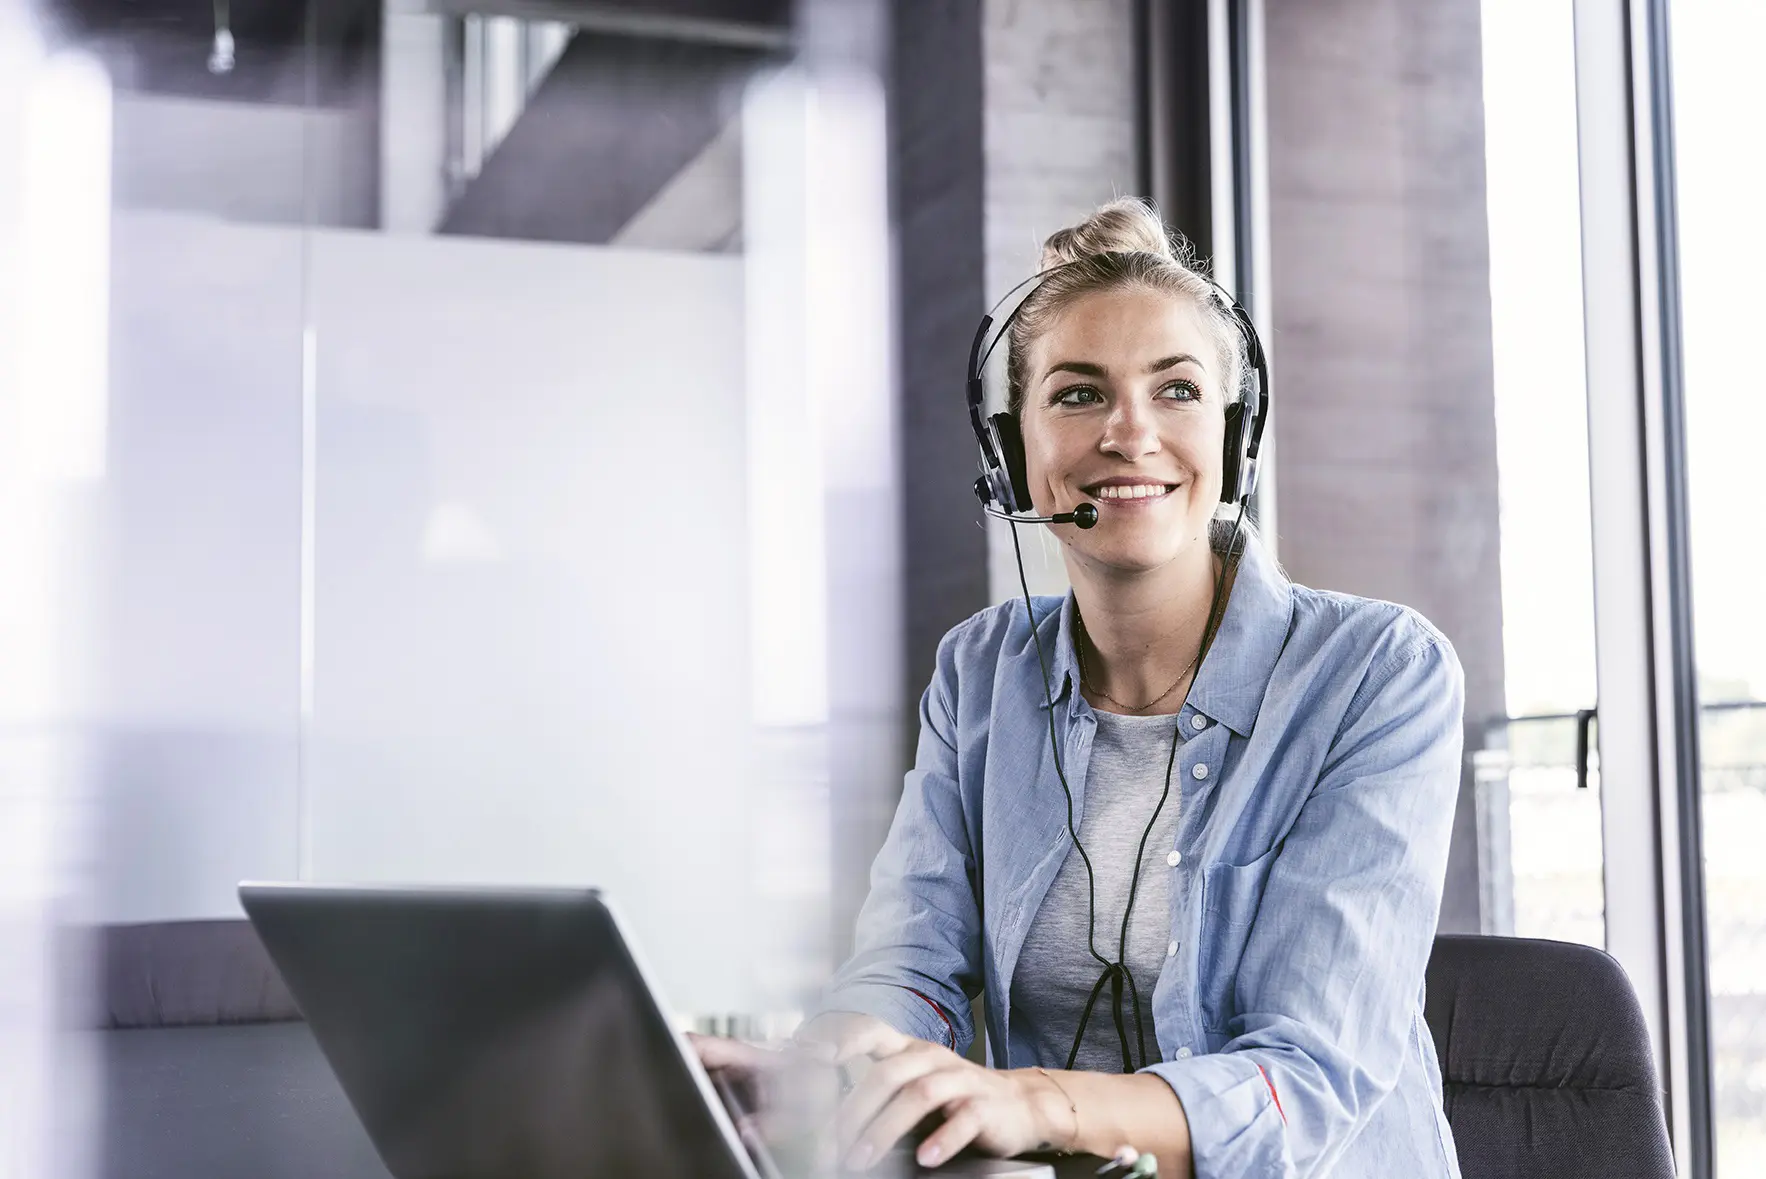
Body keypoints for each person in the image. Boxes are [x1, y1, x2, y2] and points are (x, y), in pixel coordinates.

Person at [700, 199, 1464, 1179]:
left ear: (1234, 436)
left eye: (1176, 390)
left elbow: (1304, 1077)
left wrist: (1032, 1100)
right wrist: (819, 1067)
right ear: (1009, 451)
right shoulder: (980, 673)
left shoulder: (1374, 673)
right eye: (1074, 395)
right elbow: (911, 962)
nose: (1128, 434)